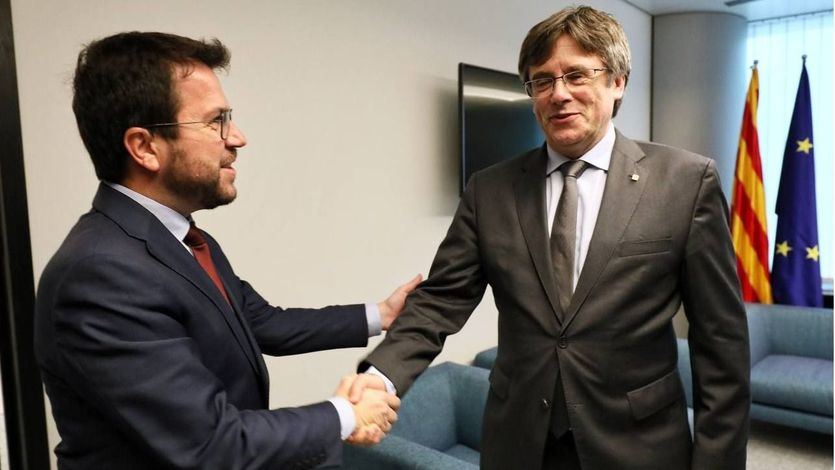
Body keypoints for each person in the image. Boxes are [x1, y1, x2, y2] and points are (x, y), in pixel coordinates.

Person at [349, 6, 750, 470]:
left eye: (577, 75)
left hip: (638, 445)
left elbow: (721, 344)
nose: (558, 94)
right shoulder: (490, 189)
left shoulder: (685, 182)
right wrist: (383, 376)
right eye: (542, 81)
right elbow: (441, 299)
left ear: (617, 81)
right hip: (519, 442)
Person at [33, 31, 420, 470]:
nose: (237, 138)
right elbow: (212, 444)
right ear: (144, 147)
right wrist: (347, 415)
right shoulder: (100, 275)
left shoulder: (183, 239)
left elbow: (262, 323)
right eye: (215, 121)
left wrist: (382, 314)